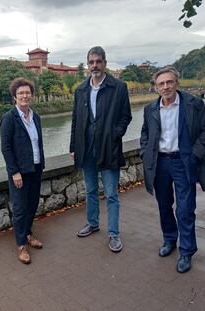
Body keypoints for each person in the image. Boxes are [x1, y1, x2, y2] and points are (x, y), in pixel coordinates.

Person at [140, 66, 205, 273]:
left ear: (177, 83)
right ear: (156, 87)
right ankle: (169, 240)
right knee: (164, 206)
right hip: (160, 163)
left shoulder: (194, 104)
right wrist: (145, 152)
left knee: (184, 209)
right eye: (161, 84)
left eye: (169, 82)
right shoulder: (150, 109)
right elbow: (145, 133)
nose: (166, 87)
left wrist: (195, 154)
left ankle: (187, 251)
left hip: (184, 162)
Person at [70, 46, 132, 252]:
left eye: (98, 61)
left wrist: (115, 135)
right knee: (90, 190)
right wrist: (73, 147)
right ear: (87, 65)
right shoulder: (80, 90)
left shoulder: (118, 87)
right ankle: (93, 223)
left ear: (104, 63)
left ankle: (114, 234)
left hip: (108, 148)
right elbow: (75, 121)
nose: (94, 65)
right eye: (91, 62)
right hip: (86, 149)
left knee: (112, 193)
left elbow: (126, 116)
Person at [0, 77, 45, 264]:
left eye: (27, 92)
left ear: (31, 95)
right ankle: (21, 246)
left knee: (32, 204)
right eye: (20, 93)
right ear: (15, 97)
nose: (24, 96)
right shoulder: (9, 118)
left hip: (35, 168)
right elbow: (6, 148)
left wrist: (41, 164)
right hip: (19, 172)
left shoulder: (36, 117)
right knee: (19, 208)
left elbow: (37, 143)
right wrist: (14, 172)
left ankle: (28, 234)